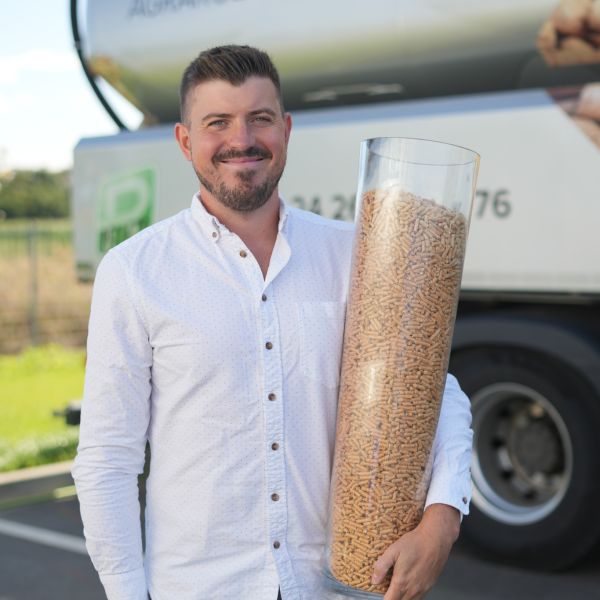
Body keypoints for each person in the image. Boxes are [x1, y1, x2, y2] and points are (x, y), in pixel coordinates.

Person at [73, 45, 473, 600]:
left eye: (259, 118)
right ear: (185, 141)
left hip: (334, 585)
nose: (241, 139)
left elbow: (432, 391)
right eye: (217, 122)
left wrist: (443, 518)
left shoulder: (355, 253)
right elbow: (107, 456)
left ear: (285, 130)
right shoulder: (135, 271)